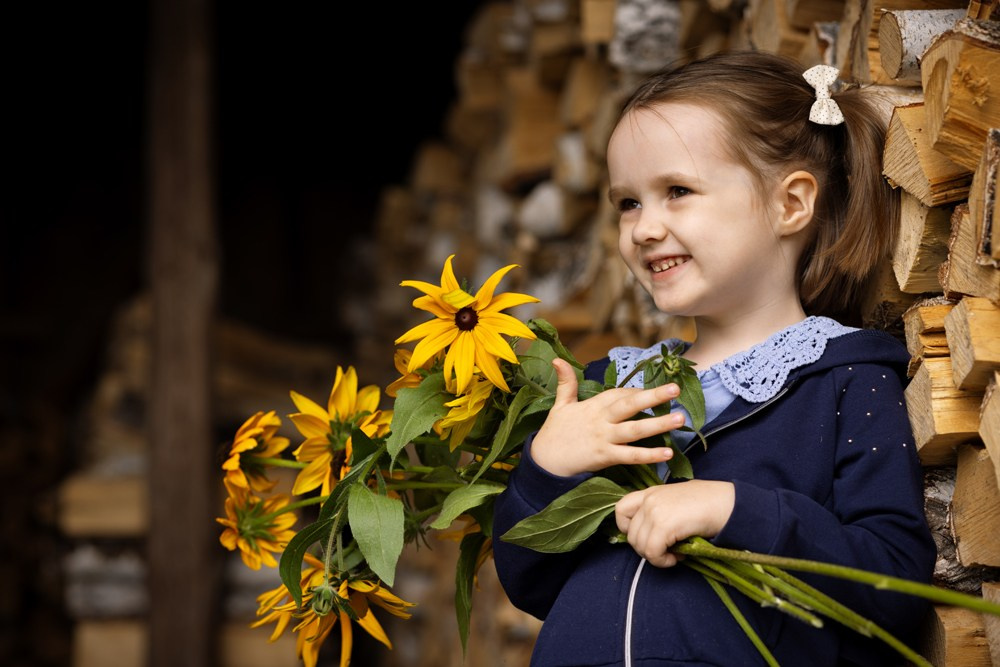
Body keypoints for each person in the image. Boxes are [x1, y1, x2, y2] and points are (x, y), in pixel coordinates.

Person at [492, 50, 936, 666]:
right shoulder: (612, 393)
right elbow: (528, 584)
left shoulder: (845, 379)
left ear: (791, 204)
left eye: (677, 191)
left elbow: (893, 581)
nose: (644, 228)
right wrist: (546, 473)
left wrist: (734, 510)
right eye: (628, 203)